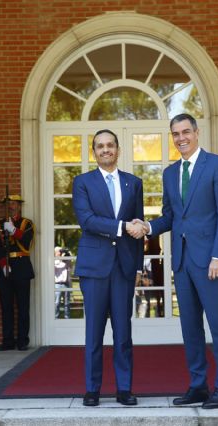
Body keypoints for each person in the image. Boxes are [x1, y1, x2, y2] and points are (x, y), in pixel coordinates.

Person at [135, 113, 218, 409]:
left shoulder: (217, 165)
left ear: (197, 132)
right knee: (190, 327)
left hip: (210, 261)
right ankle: (198, 386)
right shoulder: (170, 173)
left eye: (185, 132)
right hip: (181, 261)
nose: (181, 138)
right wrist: (148, 227)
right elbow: (171, 215)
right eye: (176, 134)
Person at [72, 129, 145, 407]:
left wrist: (138, 268)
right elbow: (87, 220)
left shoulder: (133, 183)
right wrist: (122, 227)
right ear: (94, 152)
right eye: (100, 146)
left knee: (123, 333)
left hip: (124, 268)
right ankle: (92, 389)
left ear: (117, 149)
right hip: (94, 267)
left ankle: (124, 389)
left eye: (110, 145)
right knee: (94, 333)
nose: (105, 150)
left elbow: (138, 227)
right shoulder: (83, 183)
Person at [0, 194, 35, 351]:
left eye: (14, 203)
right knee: (6, 306)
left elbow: (26, 242)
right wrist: (3, 265)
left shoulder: (26, 223)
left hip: (22, 267)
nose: (11, 206)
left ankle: (23, 340)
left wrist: (14, 231)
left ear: (19, 206)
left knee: (23, 306)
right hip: (5, 268)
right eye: (8, 204)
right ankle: (8, 340)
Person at [54, 246, 71, 319]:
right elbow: (56, 267)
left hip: (66, 284)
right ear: (55, 253)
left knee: (67, 303)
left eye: (61, 251)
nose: (60, 252)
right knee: (57, 302)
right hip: (58, 284)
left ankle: (67, 318)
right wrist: (61, 258)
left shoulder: (65, 260)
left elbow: (70, 267)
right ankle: (56, 317)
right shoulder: (54, 260)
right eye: (59, 251)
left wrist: (68, 256)